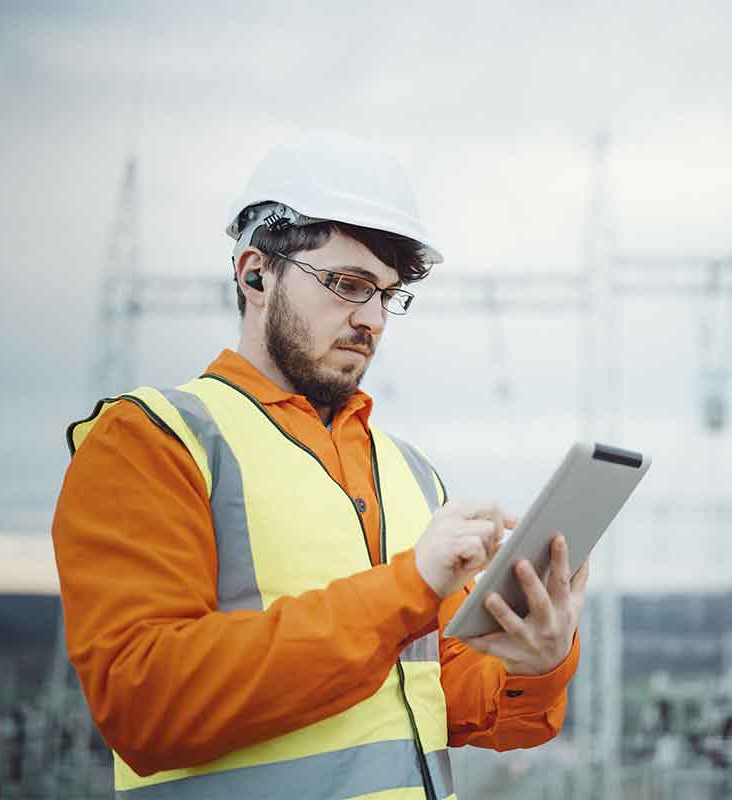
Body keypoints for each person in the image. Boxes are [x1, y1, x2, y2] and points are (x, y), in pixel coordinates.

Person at [51, 132, 589, 800]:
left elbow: (439, 699)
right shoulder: (154, 441)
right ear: (255, 273)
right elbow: (146, 703)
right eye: (347, 284)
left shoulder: (408, 473)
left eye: (387, 295)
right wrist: (408, 586)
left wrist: (537, 658)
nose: (372, 319)